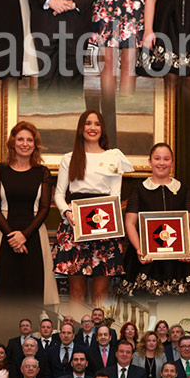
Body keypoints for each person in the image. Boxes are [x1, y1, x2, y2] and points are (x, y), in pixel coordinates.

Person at [52, 109, 132, 301]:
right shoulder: (69, 158)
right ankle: (77, 331)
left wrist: (107, 221)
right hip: (74, 226)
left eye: (97, 124)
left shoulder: (113, 157)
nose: (92, 128)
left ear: (102, 129)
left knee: (101, 294)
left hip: (104, 226)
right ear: (81, 128)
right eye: (88, 123)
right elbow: (59, 195)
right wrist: (67, 213)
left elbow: (115, 194)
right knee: (76, 293)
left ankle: (100, 331)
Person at [0, 121, 56, 304]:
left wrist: (24, 235)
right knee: (4, 293)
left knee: (33, 293)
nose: (25, 143)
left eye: (29, 140)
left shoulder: (43, 172)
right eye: (20, 139)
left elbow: (45, 207)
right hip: (4, 234)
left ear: (35, 144)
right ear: (12, 143)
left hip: (34, 234)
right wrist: (12, 237)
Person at [121, 141, 190, 295]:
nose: (162, 163)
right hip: (145, 259)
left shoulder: (184, 189)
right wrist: (140, 249)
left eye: (166, 159)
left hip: (179, 261)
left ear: (172, 162)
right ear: (150, 162)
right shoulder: (139, 190)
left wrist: (188, 248)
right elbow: (130, 223)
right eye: (157, 159)